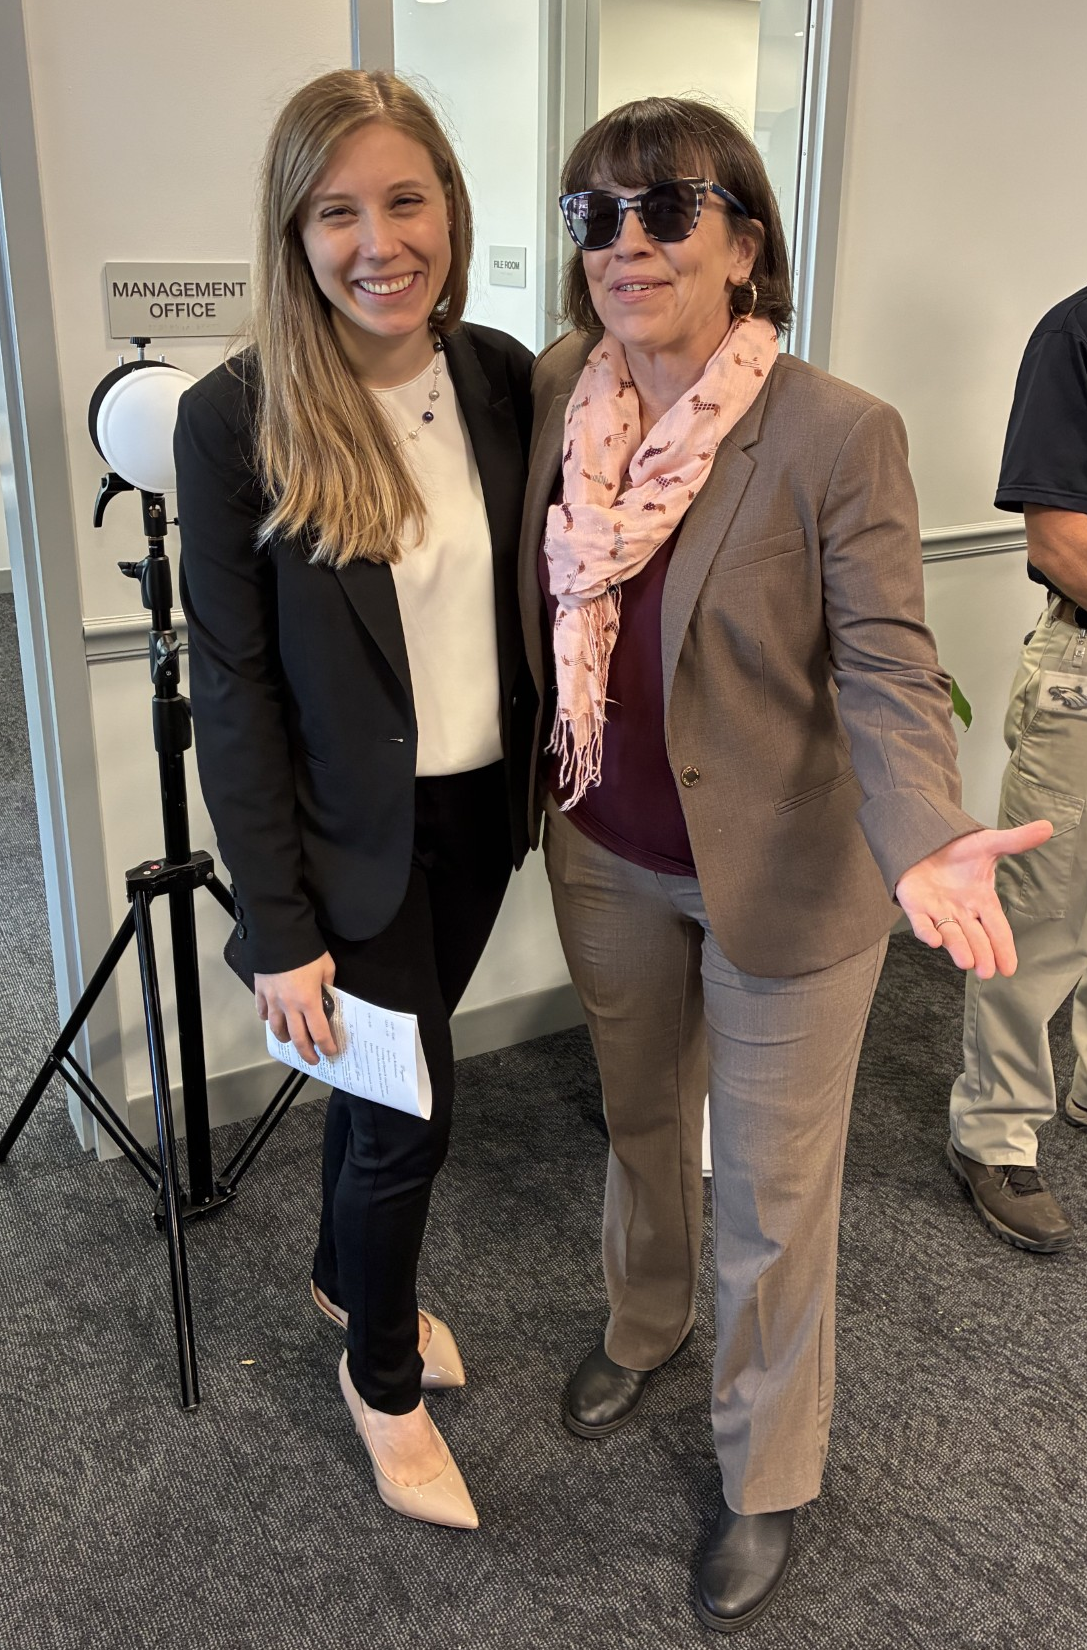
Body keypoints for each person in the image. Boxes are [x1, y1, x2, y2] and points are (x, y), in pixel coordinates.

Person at [518, 96, 1051, 1633]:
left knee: (770, 1188)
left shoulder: (835, 430)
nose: (626, 244)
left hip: (791, 875)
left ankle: (767, 1471)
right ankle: (645, 1317)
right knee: (636, 1119)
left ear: (744, 240)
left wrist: (927, 831)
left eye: (665, 209)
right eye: (593, 216)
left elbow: (887, 662)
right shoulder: (566, 393)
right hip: (606, 842)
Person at [174, 69, 535, 1530]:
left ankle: (337, 1274)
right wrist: (276, 924)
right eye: (339, 211)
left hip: (474, 820)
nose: (379, 239)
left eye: (406, 198)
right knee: (412, 1122)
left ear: (450, 203)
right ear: (295, 230)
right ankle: (378, 1379)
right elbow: (233, 686)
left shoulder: (506, 375)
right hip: (336, 850)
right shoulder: (235, 415)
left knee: (380, 1091)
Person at [947, 285, 1087, 1254]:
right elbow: (1058, 538)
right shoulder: (1072, 336)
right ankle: (991, 1132)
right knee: (1041, 914)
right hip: (1082, 668)